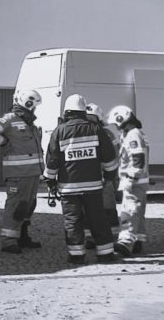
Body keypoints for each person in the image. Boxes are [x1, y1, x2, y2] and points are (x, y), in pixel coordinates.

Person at [43, 94, 119, 264]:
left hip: (68, 188)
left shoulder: (59, 131)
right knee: (97, 218)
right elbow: (109, 157)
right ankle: (105, 254)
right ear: (83, 111)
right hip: (93, 187)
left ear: (66, 112)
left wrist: (50, 181)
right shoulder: (96, 129)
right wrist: (109, 177)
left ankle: (76, 255)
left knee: (72, 221)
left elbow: (52, 160)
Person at [0, 89, 45, 254]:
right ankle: (8, 241)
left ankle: (22, 237)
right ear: (28, 103)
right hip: (18, 173)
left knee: (29, 205)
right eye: (34, 106)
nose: (34, 109)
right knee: (15, 205)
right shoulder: (10, 118)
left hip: (32, 172)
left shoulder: (29, 122)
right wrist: (4, 144)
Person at [107, 105, 150, 257]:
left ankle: (126, 242)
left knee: (129, 211)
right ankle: (138, 240)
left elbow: (138, 160)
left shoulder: (133, 135)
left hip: (133, 180)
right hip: (138, 179)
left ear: (122, 120)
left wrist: (130, 179)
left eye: (116, 124)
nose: (116, 127)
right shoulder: (135, 133)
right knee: (138, 213)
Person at [86, 103, 120, 240]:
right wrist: (114, 178)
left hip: (86, 179)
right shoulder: (108, 134)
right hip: (105, 178)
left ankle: (89, 237)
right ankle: (111, 236)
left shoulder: (77, 131)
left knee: (88, 210)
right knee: (108, 210)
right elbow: (116, 156)